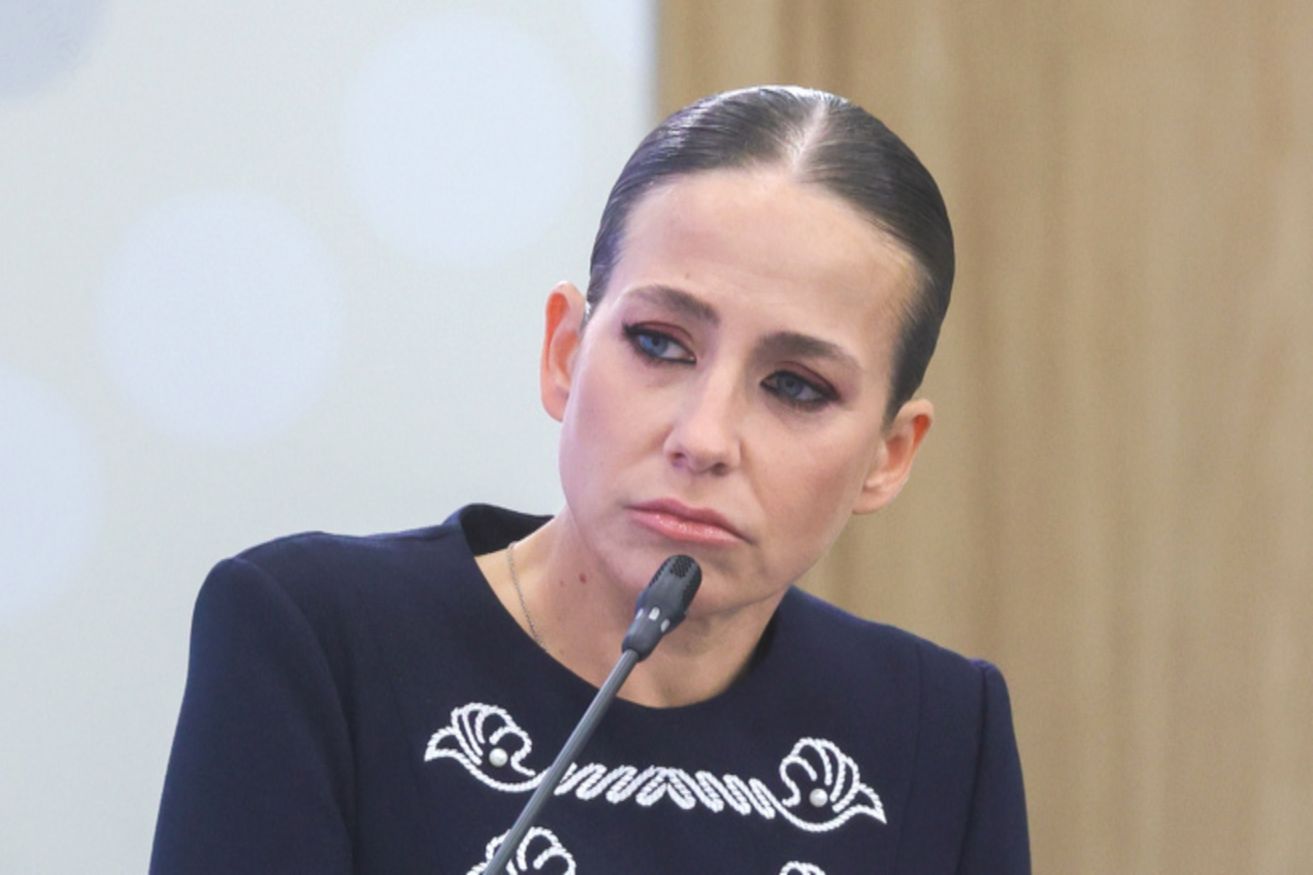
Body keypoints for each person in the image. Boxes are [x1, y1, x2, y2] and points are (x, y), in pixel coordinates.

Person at [151, 85, 1030, 874]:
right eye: (659, 343)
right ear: (564, 353)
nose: (702, 438)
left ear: (887, 456)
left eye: (795, 387)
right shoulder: (316, 635)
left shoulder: (939, 729)